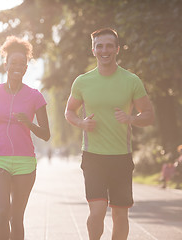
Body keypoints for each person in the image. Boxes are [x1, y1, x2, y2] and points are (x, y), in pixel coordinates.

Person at [65, 28, 155, 240]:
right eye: (100, 46)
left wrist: (131, 118)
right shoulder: (82, 81)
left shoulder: (131, 80)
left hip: (121, 158)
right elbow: (69, 111)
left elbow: (149, 115)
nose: (104, 50)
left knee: (120, 215)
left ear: (117, 49)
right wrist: (81, 123)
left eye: (109, 46)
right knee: (96, 213)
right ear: (93, 49)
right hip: (93, 156)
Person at [0, 36, 50, 240]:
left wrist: (28, 123)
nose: (18, 66)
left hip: (25, 162)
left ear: (27, 67)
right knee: (3, 211)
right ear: (5, 65)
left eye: (22, 63)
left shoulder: (35, 96)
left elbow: (46, 134)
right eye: (13, 63)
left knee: (16, 217)